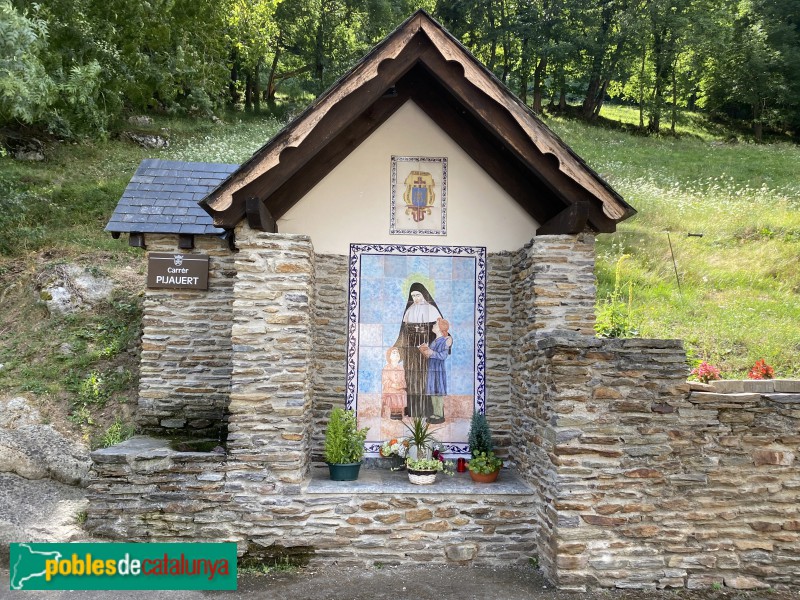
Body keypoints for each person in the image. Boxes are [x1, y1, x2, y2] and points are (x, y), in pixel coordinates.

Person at [393, 283, 450, 419]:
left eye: (418, 295)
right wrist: (398, 348)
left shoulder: (432, 309)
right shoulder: (409, 311)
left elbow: (440, 331)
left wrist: (436, 345)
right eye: (413, 296)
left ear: (424, 295)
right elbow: (403, 333)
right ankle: (413, 410)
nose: (416, 298)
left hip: (426, 353)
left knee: (427, 380)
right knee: (411, 379)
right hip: (411, 353)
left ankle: (429, 411)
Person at [419, 318, 451, 424]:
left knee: (438, 392)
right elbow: (430, 354)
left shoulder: (446, 340)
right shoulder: (435, 340)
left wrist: (431, 352)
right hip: (432, 368)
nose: (433, 326)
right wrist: (424, 350)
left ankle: (439, 414)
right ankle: (435, 413)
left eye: (436, 325)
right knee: (432, 391)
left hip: (438, 369)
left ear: (440, 328)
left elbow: (443, 356)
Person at [381, 346, 406, 420]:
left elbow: (403, 380)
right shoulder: (386, 368)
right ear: (389, 356)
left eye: (398, 352)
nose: (397, 354)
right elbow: (384, 380)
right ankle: (393, 412)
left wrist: (400, 385)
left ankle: (398, 411)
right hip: (389, 388)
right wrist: (392, 384)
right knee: (393, 393)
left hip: (399, 388)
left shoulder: (401, 368)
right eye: (394, 353)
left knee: (403, 393)